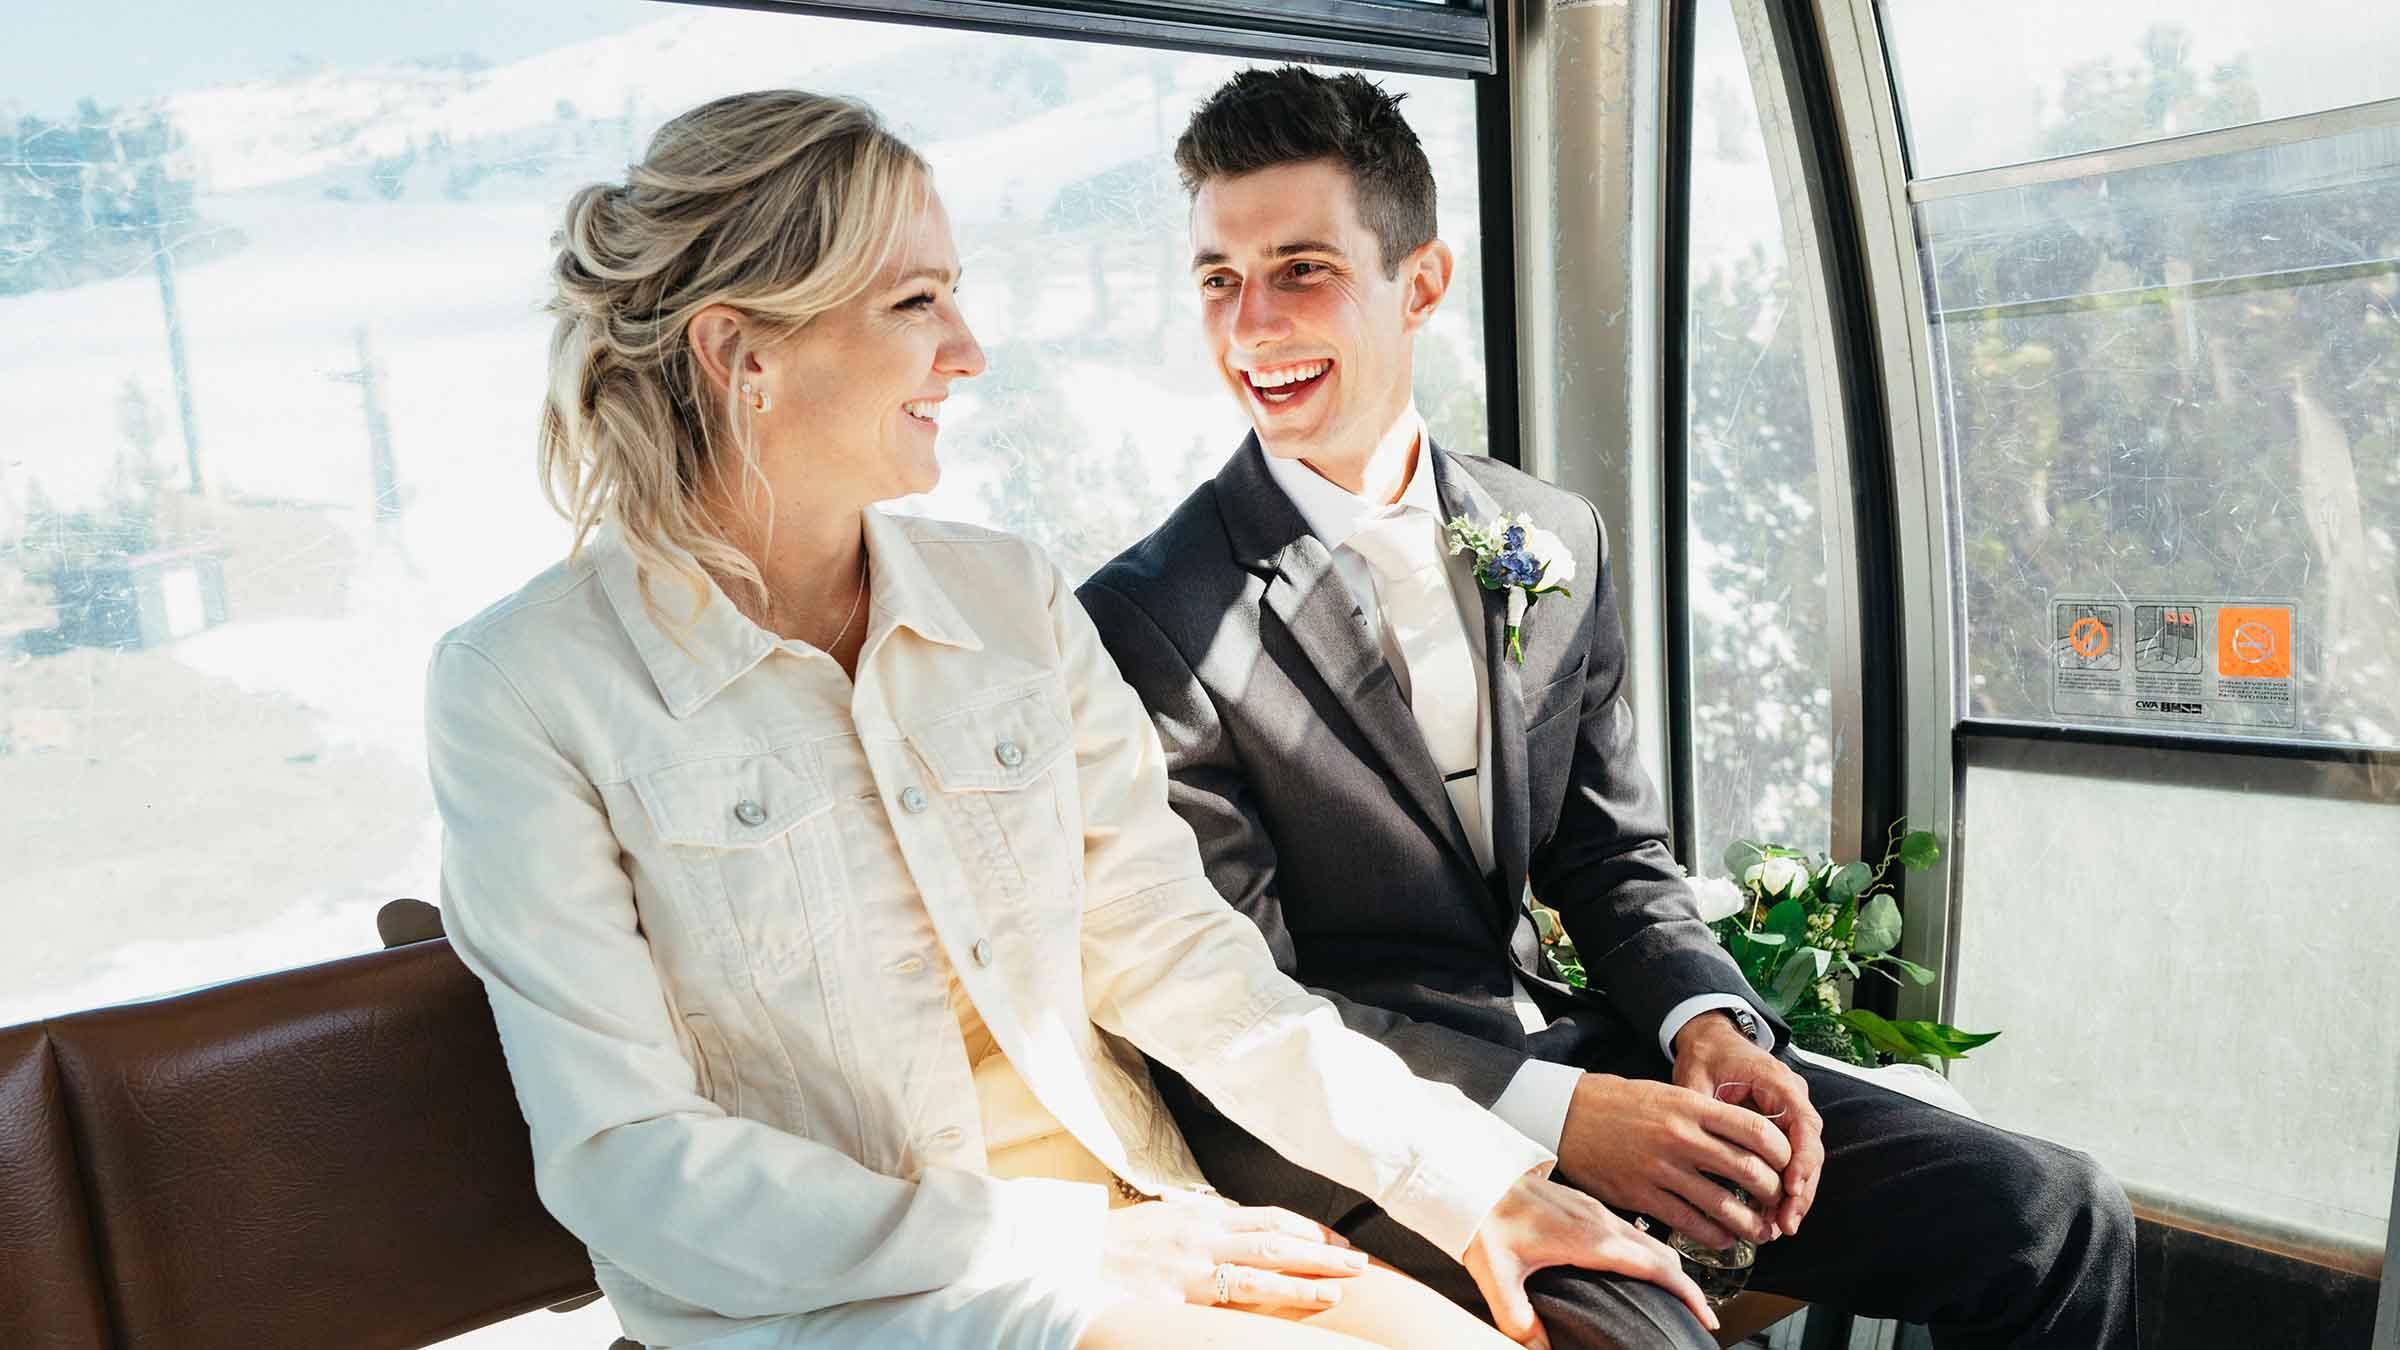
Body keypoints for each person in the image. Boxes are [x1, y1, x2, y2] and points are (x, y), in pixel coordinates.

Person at [424, 89, 1718, 1350]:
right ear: (740, 352)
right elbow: (628, 1164)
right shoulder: (524, 686)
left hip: (1148, 1226)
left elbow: (1184, 962)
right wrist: (1068, 1246)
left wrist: (1469, 1174)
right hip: (859, 1303)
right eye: (916, 301)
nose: (968, 350)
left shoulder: (1010, 600)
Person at [1078, 66, 2138, 1349]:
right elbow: (1250, 999)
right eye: (1216, 280)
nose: (1251, 328)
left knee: (2056, 1214)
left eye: (1300, 269)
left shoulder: (1548, 533)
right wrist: (1563, 1118)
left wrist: (1711, 1025)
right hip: (1353, 1133)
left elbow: (1610, 855)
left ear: (1421, 283)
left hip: (1588, 1055)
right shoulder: (1142, 616)